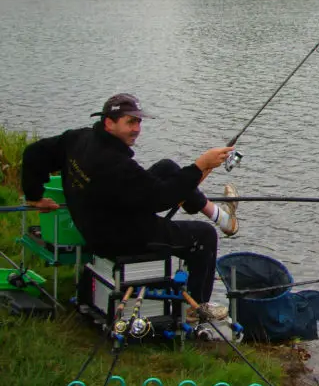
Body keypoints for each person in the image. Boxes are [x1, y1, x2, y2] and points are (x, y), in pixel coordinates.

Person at [20, 93, 240, 306]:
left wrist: (34, 196)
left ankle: (222, 217)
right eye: (130, 122)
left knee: (167, 168)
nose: (137, 129)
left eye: (139, 122)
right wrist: (201, 165)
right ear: (109, 123)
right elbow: (161, 199)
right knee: (204, 236)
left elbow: (33, 153)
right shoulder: (115, 165)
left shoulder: (78, 138)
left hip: (102, 217)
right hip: (120, 236)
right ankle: (197, 309)